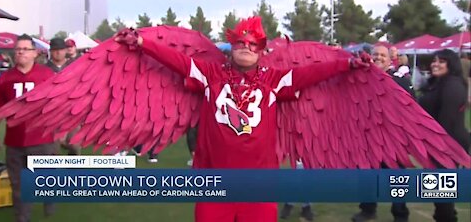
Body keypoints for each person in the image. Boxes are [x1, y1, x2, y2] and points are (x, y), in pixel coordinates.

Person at [117, 16, 370, 222]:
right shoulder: (210, 74)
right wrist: (141, 42)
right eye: (240, 42)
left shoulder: (274, 80)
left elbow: (313, 73)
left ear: (261, 50)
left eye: (253, 44)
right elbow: (177, 61)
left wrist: (348, 64)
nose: (246, 47)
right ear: (232, 47)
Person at [0, 34, 56, 222]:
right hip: (15, 141)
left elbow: (60, 104)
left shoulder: (47, 76)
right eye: (18, 48)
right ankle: (22, 217)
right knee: (18, 185)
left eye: (25, 49)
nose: (20, 52)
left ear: (35, 53)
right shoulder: (5, 79)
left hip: (42, 139)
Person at [351, 45, 414, 222]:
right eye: (375, 54)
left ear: (390, 59)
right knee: (367, 177)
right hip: (368, 139)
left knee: (396, 179)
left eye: (382, 55)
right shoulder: (363, 80)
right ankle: (368, 209)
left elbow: (412, 109)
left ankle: (400, 214)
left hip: (394, 140)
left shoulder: (400, 81)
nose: (378, 57)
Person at [418, 49, 469, 222]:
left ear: (451, 64)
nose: (435, 64)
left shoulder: (453, 85)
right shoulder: (437, 83)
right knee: (437, 194)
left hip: (447, 146)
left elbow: (447, 120)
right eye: (434, 60)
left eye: (441, 61)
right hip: (436, 145)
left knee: (442, 196)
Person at [45, 38, 80, 155]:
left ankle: (74, 171)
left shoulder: (75, 66)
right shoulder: (44, 69)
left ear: (65, 50)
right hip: (51, 112)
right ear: (50, 51)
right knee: (52, 150)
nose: (58, 52)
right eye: (55, 50)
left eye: (61, 49)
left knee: (74, 146)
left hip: (71, 110)